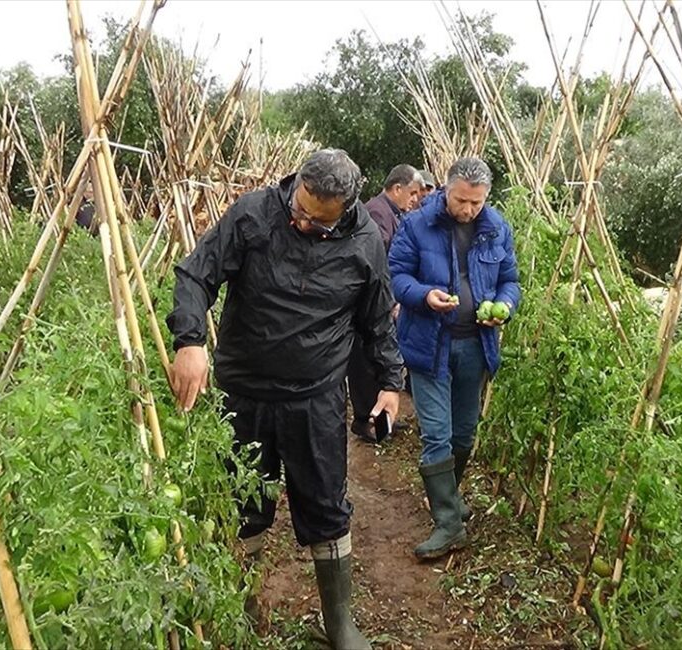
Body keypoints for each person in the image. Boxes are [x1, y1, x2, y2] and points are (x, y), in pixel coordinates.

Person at [166, 149, 403, 650]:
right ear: (297, 186)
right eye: (298, 208)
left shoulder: (365, 243)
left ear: (344, 210)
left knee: (325, 505)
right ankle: (241, 605)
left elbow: (376, 319)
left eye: (316, 222)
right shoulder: (254, 214)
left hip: (314, 399)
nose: (301, 221)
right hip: (242, 392)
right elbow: (195, 274)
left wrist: (389, 382)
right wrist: (189, 341)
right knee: (239, 504)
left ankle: (339, 623)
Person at [387, 157, 520, 560]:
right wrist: (424, 296)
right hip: (430, 343)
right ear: (446, 190)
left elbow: (510, 281)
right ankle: (448, 522)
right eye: (462, 200)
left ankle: (448, 496)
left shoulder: (496, 228)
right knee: (437, 434)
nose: (468, 210)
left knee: (464, 431)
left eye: (476, 203)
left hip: (476, 345)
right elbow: (397, 277)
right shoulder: (417, 224)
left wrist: (502, 304)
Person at [347, 164, 422, 442]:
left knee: (378, 360)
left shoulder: (393, 213)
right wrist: (388, 298)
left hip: (378, 298)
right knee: (365, 362)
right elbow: (377, 261)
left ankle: (381, 419)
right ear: (397, 188)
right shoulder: (378, 212)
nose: (415, 199)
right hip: (368, 300)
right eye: (412, 193)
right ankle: (364, 420)